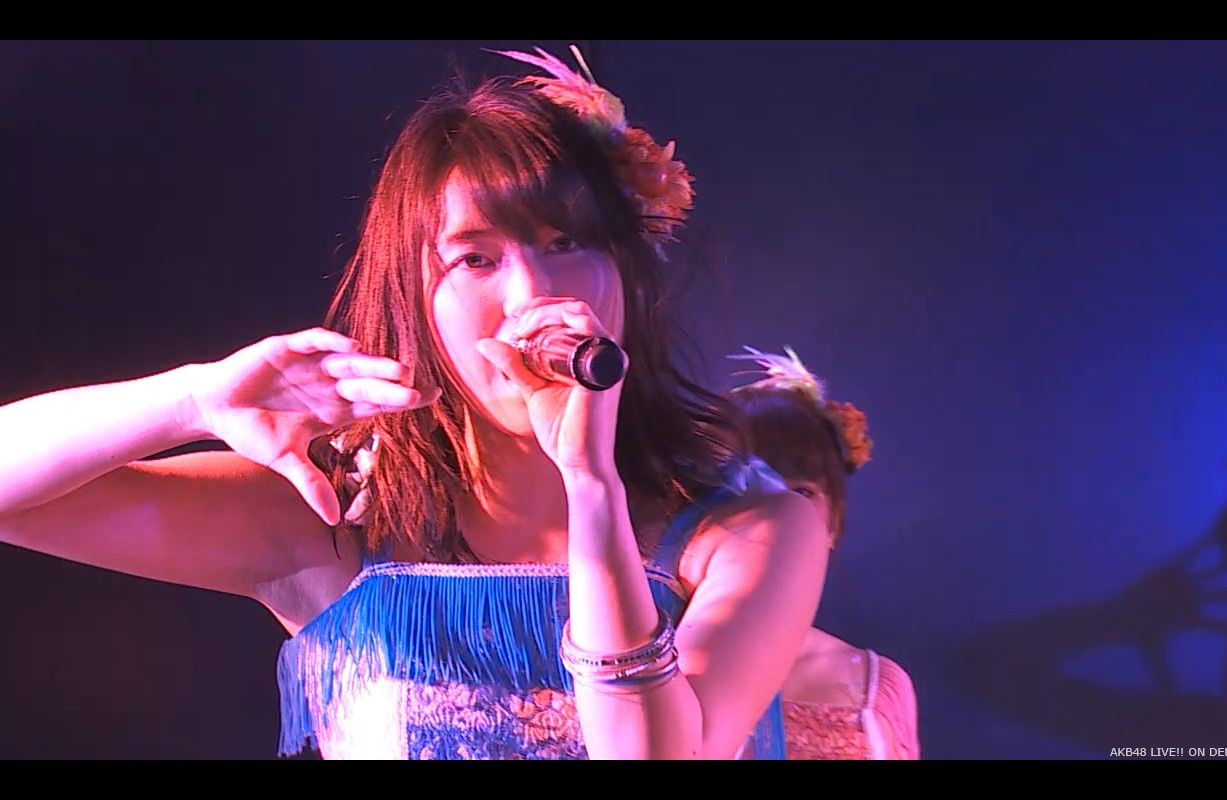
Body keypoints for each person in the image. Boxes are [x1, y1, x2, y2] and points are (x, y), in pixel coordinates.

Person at [0, 45, 828, 760]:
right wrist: (192, 400)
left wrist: (591, 486)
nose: (531, 296)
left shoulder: (748, 532)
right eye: (475, 259)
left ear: (626, 274)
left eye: (565, 243)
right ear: (413, 304)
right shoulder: (337, 521)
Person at [730, 345, 920, 759]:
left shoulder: (875, 687)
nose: (779, 517)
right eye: (747, 489)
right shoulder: (648, 662)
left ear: (833, 519)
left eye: (801, 493)